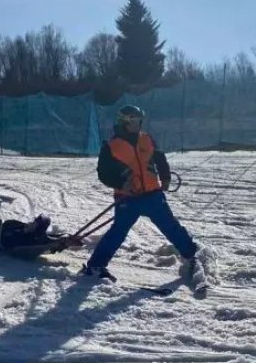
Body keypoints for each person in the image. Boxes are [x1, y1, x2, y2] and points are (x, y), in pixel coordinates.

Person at [81, 104, 199, 282]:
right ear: (125, 122)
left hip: (152, 194)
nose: (139, 124)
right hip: (128, 198)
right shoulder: (112, 146)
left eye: (139, 120)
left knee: (170, 226)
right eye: (135, 120)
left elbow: (160, 159)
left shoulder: (147, 139)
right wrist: (121, 183)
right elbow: (103, 173)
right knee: (117, 232)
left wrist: (165, 177)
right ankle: (95, 266)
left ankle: (191, 255)